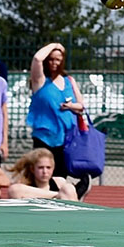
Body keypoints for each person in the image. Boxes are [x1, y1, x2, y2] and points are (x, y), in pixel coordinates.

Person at [26, 42, 90, 199]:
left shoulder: (68, 81)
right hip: (45, 136)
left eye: (58, 59)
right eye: (51, 59)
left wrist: (70, 106)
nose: (54, 63)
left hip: (65, 137)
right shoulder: (40, 80)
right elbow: (36, 59)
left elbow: (81, 106)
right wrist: (55, 45)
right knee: (42, 173)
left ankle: (67, 196)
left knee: (60, 175)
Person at [7, 148, 78, 201]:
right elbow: (14, 191)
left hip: (57, 218)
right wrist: (57, 195)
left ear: (53, 168)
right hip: (34, 218)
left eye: (48, 168)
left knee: (69, 188)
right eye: (40, 168)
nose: (45, 171)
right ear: (32, 169)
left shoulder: (59, 182)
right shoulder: (24, 186)